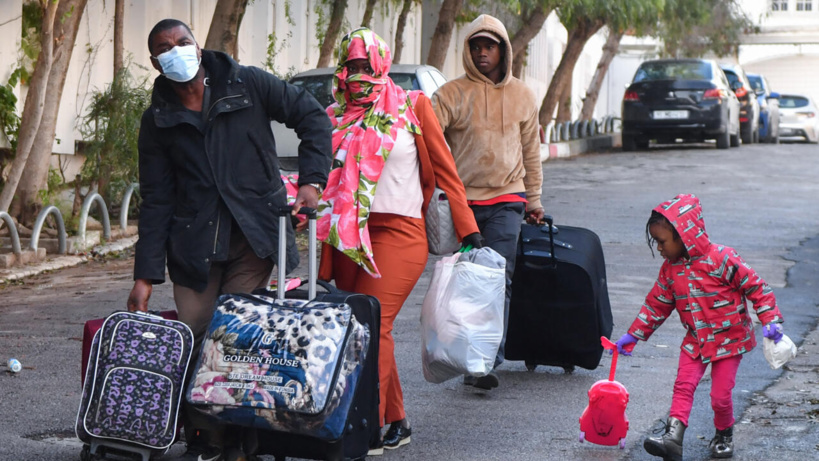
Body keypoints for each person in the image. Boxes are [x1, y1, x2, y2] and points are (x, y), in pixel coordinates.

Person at [126, 18, 332, 461]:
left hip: (254, 235)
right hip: (192, 245)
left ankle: (239, 438)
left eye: (183, 41)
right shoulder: (157, 120)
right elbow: (156, 199)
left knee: (235, 340)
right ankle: (204, 436)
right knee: (197, 336)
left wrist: (313, 182)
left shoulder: (247, 83)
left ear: (197, 47)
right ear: (155, 62)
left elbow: (312, 117)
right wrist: (145, 276)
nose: (176, 50)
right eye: (165, 47)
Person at [315, 28, 482, 455]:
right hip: (351, 237)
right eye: (351, 66)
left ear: (382, 65)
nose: (357, 74)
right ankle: (396, 420)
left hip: (401, 234)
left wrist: (469, 231)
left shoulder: (412, 106)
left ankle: (361, 424)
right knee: (358, 327)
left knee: (374, 325)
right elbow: (321, 177)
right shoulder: (335, 115)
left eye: (365, 66)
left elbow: (446, 171)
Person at [612, 193, 785, 461]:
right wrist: (634, 334)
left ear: (683, 235)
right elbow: (656, 304)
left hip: (730, 341)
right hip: (696, 340)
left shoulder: (722, 259)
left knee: (719, 396)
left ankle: (723, 435)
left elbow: (757, 287)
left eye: (661, 242)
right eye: (656, 242)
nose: (659, 248)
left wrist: (770, 319)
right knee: (683, 385)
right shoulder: (670, 270)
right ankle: (673, 439)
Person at [431, 13, 545, 390]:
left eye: (489, 47)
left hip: (507, 199)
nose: (482, 53)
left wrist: (534, 200)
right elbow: (426, 137)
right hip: (462, 204)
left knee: (498, 278)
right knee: (465, 281)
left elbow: (531, 152)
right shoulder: (450, 94)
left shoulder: (523, 96)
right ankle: (464, 354)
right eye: (476, 47)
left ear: (503, 51)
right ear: (468, 50)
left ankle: (483, 361)